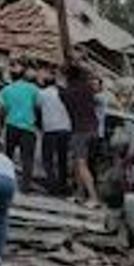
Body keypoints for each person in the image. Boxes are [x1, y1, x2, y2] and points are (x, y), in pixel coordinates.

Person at [61, 64, 100, 206]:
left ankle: (94, 198)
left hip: (80, 131)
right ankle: (79, 195)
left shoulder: (67, 93)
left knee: (81, 165)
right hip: (94, 130)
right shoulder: (88, 89)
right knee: (79, 163)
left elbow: (66, 102)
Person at [0, 62, 40, 184]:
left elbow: (3, 110)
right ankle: (26, 185)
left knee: (8, 155)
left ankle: (5, 180)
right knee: (27, 158)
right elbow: (38, 107)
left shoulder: (6, 90)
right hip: (29, 127)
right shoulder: (34, 89)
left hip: (11, 125)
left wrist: (0, 126)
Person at [36, 69, 72, 196]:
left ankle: (52, 187)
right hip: (65, 128)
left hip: (50, 129)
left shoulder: (41, 93)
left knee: (48, 159)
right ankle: (63, 186)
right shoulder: (64, 93)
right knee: (62, 159)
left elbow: (37, 107)